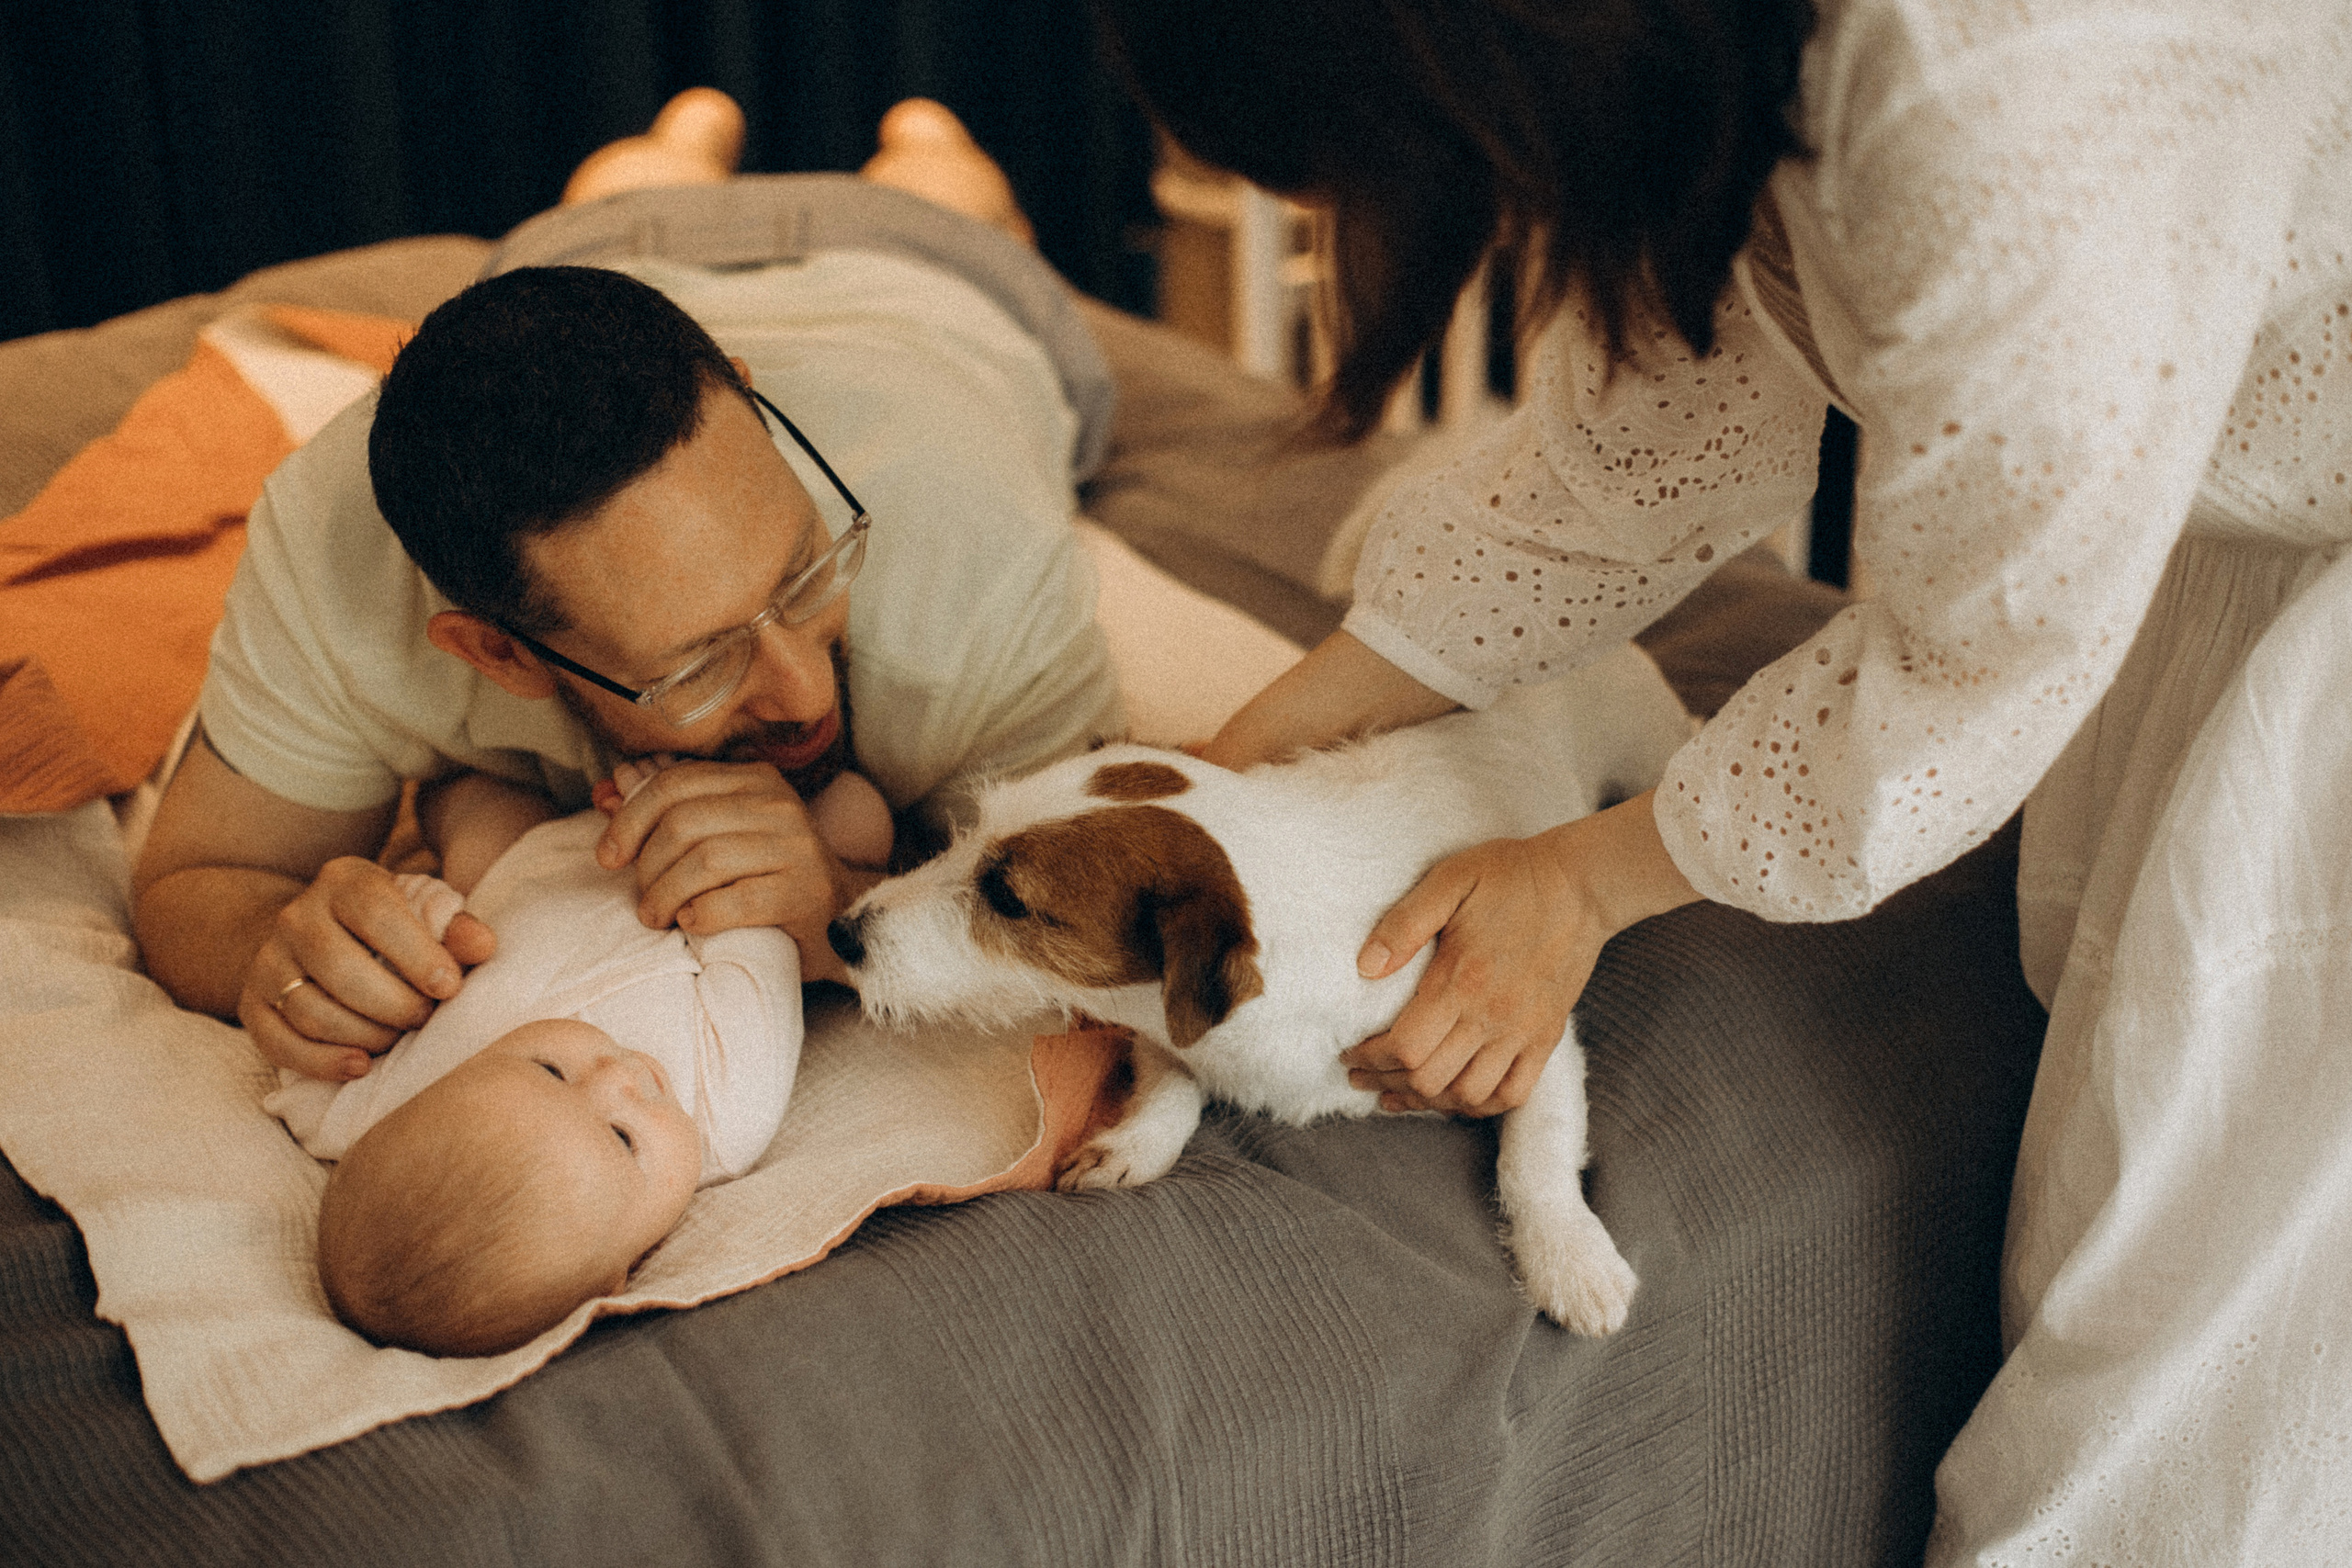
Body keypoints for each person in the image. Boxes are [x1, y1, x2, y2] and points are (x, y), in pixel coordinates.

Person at [1091, 0, 2350, 1561]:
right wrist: (1254, 758)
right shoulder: (1720, 66)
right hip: (2210, 523)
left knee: (2184, 1350)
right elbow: (1644, 440)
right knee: (2131, 1190)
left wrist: (1585, 879)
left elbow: (1979, 658)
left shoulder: (1989, 85)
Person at [130, 94, 1125, 1085]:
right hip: (601, 245)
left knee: (948, 182)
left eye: (805, 570)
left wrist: (840, 909)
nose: (804, 693)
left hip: (930, 271)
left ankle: (916, 143)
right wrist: (283, 956)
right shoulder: (327, 551)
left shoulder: (980, 550)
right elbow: (198, 884)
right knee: (629, 183)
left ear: (746, 398)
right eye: (701, 663)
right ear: (496, 652)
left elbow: (1094, 944)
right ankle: (683, 146)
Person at [271, 758, 890, 1358]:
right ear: (615, 1279)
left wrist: (423, 914)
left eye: (550, 1070)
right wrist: (676, 838)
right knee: (855, 814)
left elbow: (312, 1051)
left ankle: (453, 802)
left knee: (467, 808)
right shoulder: (728, 1111)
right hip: (691, 871)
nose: (616, 1077)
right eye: (623, 1138)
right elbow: (758, 941)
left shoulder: (368, 1110)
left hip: (532, 867)